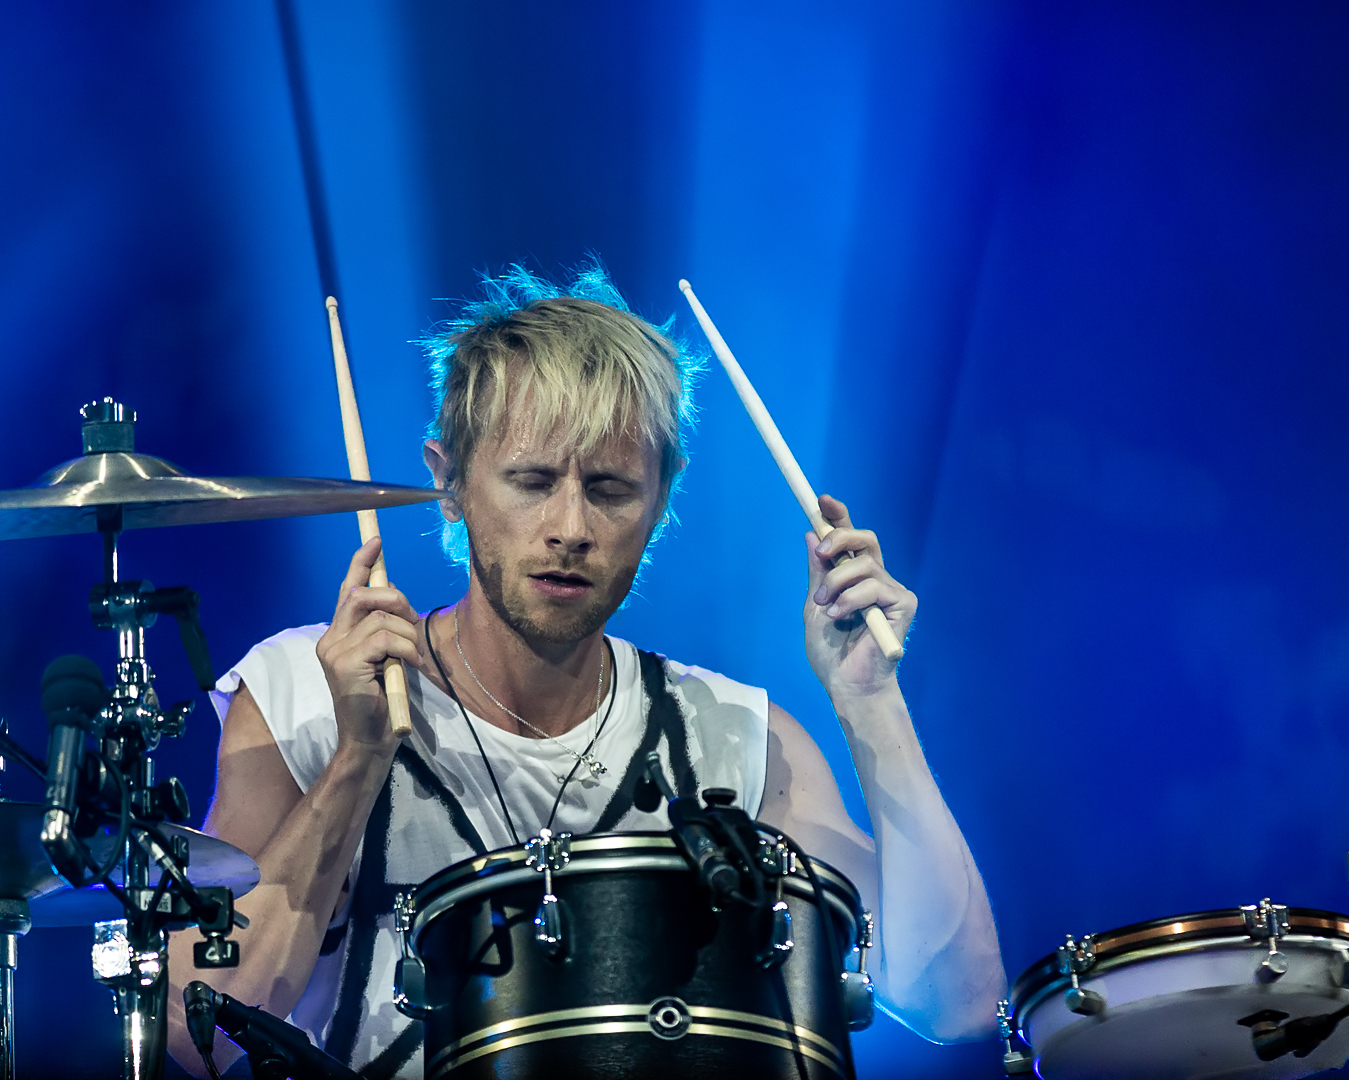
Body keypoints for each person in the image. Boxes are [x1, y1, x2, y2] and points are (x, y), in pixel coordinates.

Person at [167, 267, 1004, 1077]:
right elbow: (194, 1028)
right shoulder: (307, 688)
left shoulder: (734, 739)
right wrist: (356, 759)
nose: (570, 527)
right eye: (531, 481)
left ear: (661, 498)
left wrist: (870, 700)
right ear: (447, 482)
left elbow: (956, 1003)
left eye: (609, 489)